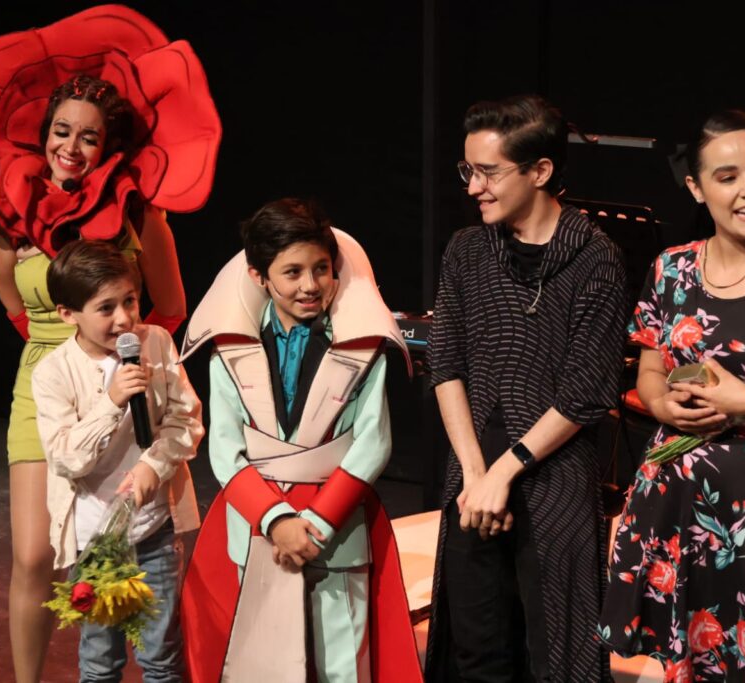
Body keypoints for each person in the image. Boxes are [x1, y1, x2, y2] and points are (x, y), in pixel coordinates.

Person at [0, 7, 221, 681]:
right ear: (43, 133)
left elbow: (170, 305)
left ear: (107, 145)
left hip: (127, 376)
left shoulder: (139, 213)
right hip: (44, 385)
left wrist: (120, 360)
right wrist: (67, 366)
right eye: (61, 131)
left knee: (129, 547)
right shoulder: (4, 222)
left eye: (89, 136)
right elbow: (17, 312)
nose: (71, 147)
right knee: (34, 556)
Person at [599, 111, 745, 682]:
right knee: (685, 664)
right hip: (672, 498)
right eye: (727, 177)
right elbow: (650, 370)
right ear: (697, 188)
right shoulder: (671, 269)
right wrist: (660, 403)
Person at [422, 94, 628, 681]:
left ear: (540, 171)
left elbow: (586, 393)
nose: (474, 187)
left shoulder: (595, 258)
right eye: (468, 170)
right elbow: (446, 364)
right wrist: (475, 475)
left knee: (552, 655)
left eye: (488, 172)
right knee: (476, 652)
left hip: (552, 478)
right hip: (473, 477)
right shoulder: (467, 250)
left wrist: (504, 473)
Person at [179, 199, 422, 682]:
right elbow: (224, 450)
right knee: (262, 663)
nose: (310, 285)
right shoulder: (228, 348)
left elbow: (372, 443)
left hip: (338, 529)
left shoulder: (364, 347)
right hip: (260, 530)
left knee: (343, 665)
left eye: (321, 269)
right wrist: (276, 521)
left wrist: (315, 524)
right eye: (292, 272)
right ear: (259, 276)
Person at [31, 239, 202, 683]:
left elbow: (185, 419)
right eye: (106, 308)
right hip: (95, 541)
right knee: (100, 659)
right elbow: (66, 458)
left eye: (130, 300)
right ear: (68, 313)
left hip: (153, 530)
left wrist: (153, 466)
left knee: (161, 656)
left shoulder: (155, 342)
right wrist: (111, 402)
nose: (125, 318)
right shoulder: (52, 372)